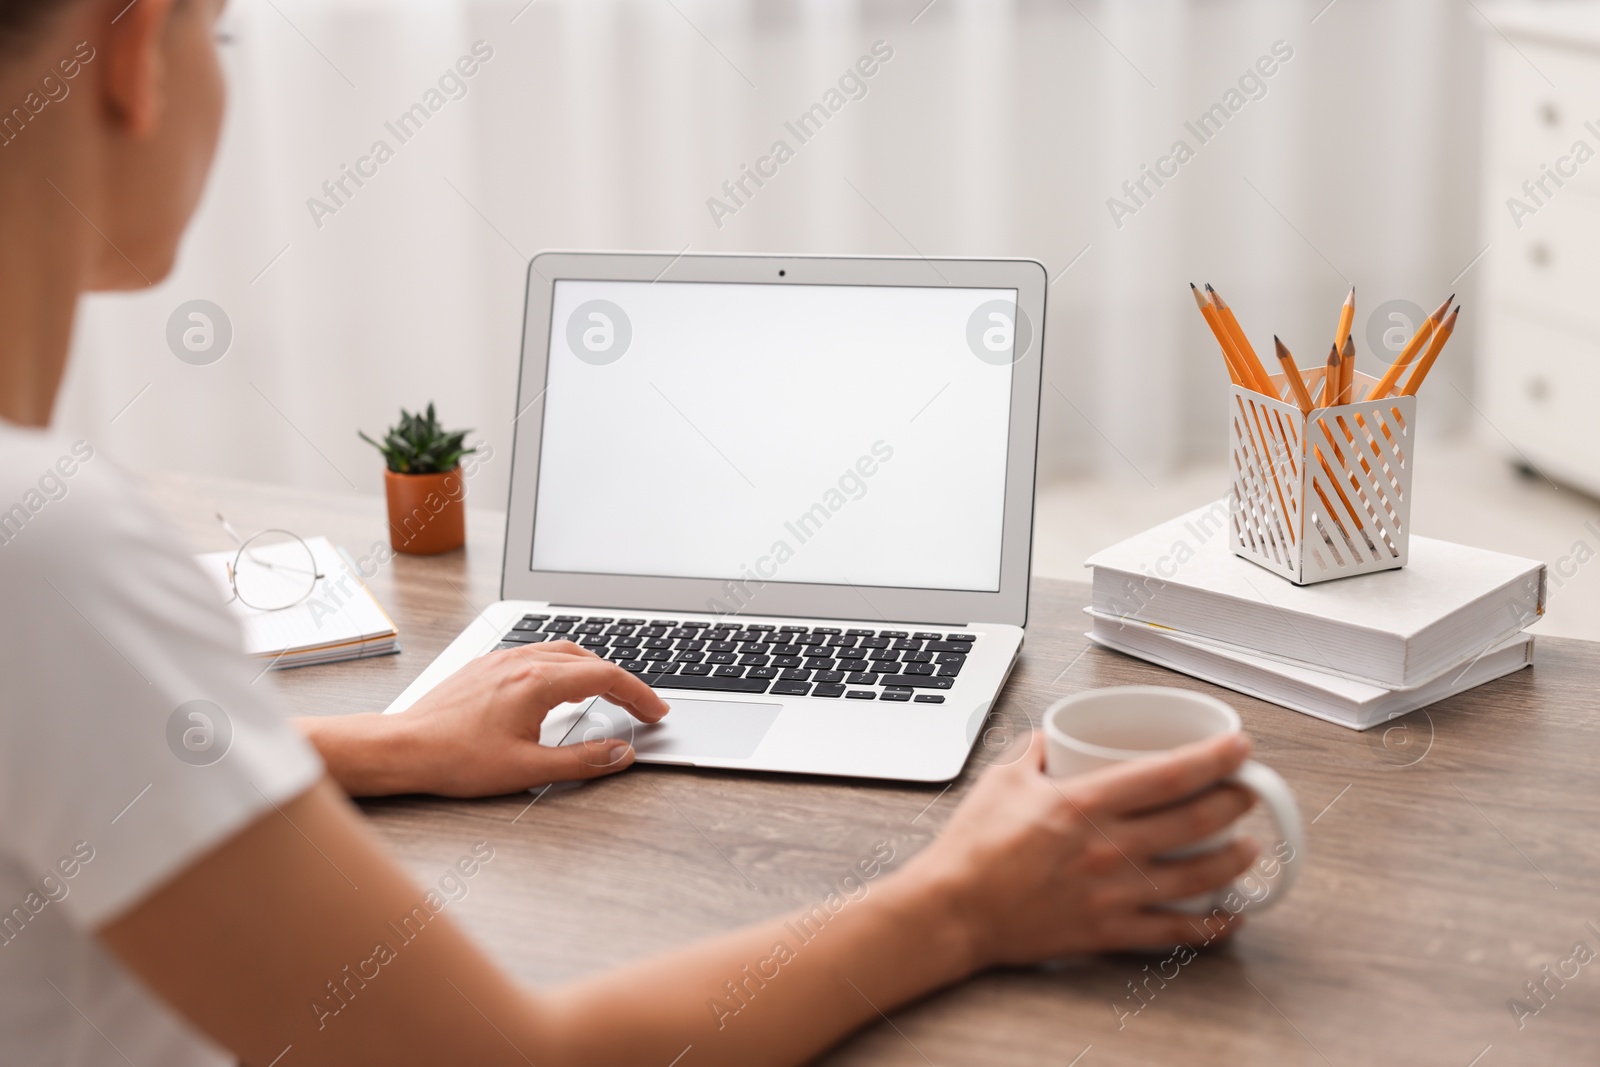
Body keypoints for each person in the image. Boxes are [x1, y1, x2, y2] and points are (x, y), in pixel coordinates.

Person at [0, 1, 1262, 1063]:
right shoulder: (49, 554)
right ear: (133, 48)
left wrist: (383, 746)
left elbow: (68, 775)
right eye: (219, 36)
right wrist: (963, 899)